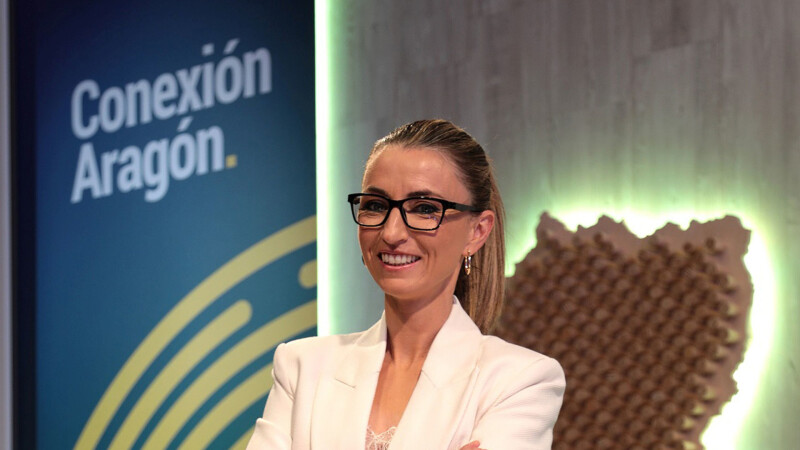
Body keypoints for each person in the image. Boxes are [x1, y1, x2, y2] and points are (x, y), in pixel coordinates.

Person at [247, 119, 565, 449]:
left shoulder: (519, 380)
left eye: (425, 209)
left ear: (477, 231)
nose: (392, 233)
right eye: (375, 206)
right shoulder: (302, 366)